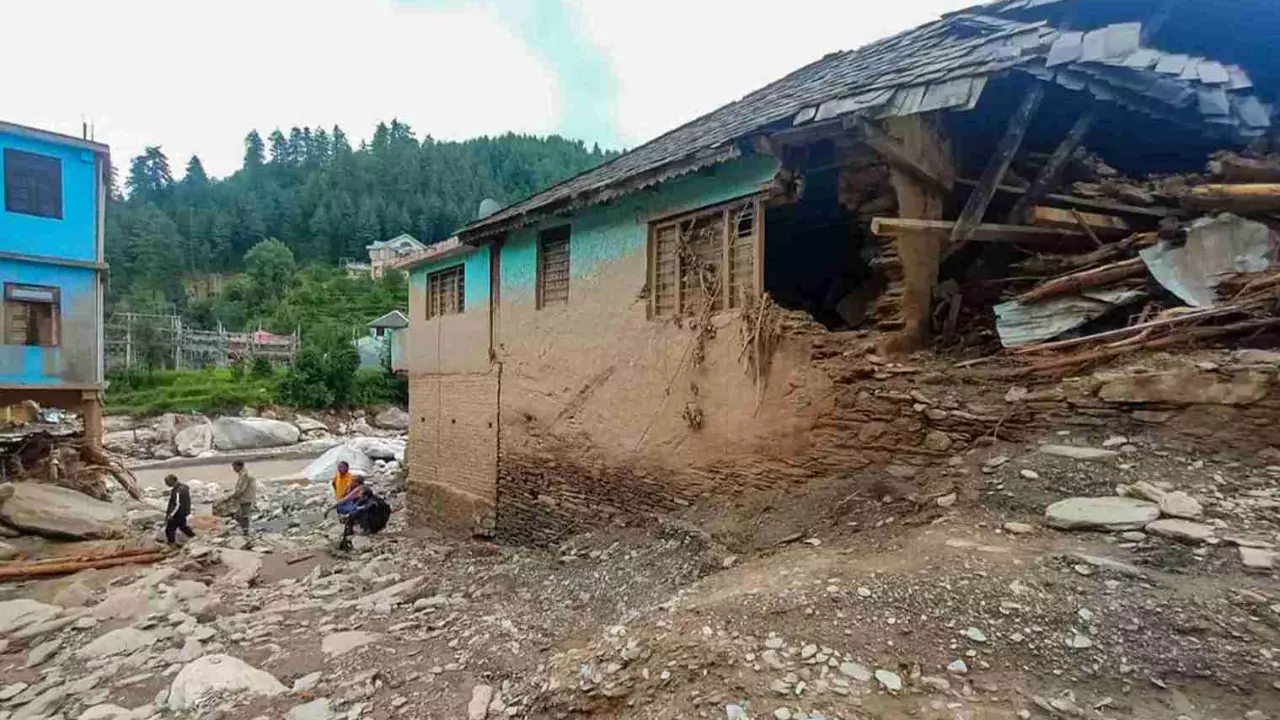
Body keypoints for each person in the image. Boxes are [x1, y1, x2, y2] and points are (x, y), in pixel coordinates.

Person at [163, 474, 195, 545]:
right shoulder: (183, 487)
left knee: (169, 529)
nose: (166, 483)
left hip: (178, 514)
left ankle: (171, 544)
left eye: (167, 481)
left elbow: (177, 504)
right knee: (183, 527)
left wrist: (171, 515)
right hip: (184, 512)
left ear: (172, 480)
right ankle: (194, 537)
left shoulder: (178, 490)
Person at [227, 460, 256, 537]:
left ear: (239, 466)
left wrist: (232, 496)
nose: (233, 469)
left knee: (244, 516)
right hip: (247, 497)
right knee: (242, 515)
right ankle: (244, 531)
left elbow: (241, 489)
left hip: (245, 498)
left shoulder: (245, 475)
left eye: (234, 467)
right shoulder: (244, 473)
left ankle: (245, 532)